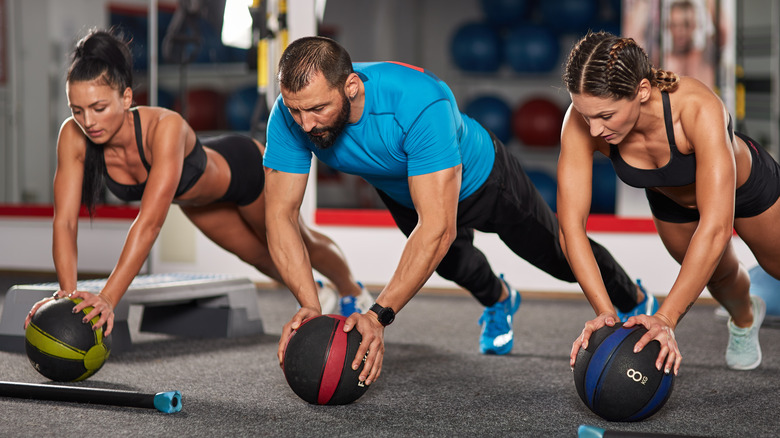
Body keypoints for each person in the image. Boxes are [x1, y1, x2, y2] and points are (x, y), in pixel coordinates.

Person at [263, 36, 655, 386]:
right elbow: (280, 215)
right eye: (296, 111)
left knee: (561, 256)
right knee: (454, 266)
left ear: (350, 87)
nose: (306, 124)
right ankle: (501, 299)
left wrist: (378, 315)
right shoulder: (290, 115)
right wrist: (308, 303)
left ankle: (634, 296)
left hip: (485, 179)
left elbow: (438, 228)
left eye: (317, 109)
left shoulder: (417, 99)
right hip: (405, 191)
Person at [23, 28, 372, 336]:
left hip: (243, 171)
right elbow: (66, 222)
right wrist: (68, 294)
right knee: (262, 259)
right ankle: (321, 292)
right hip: (195, 200)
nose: (88, 121)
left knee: (299, 243)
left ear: (126, 98)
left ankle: (351, 291)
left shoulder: (165, 127)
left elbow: (149, 222)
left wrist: (108, 298)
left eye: (99, 107)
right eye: (77, 110)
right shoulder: (73, 136)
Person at [559, 31, 771, 376]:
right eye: (586, 116)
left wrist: (664, 319)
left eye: (606, 116)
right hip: (672, 201)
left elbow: (716, 227)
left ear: (641, 91)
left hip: (749, 186)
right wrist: (605, 313)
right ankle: (746, 318)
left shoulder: (695, 106)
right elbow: (570, 228)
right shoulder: (582, 123)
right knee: (720, 277)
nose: (594, 130)